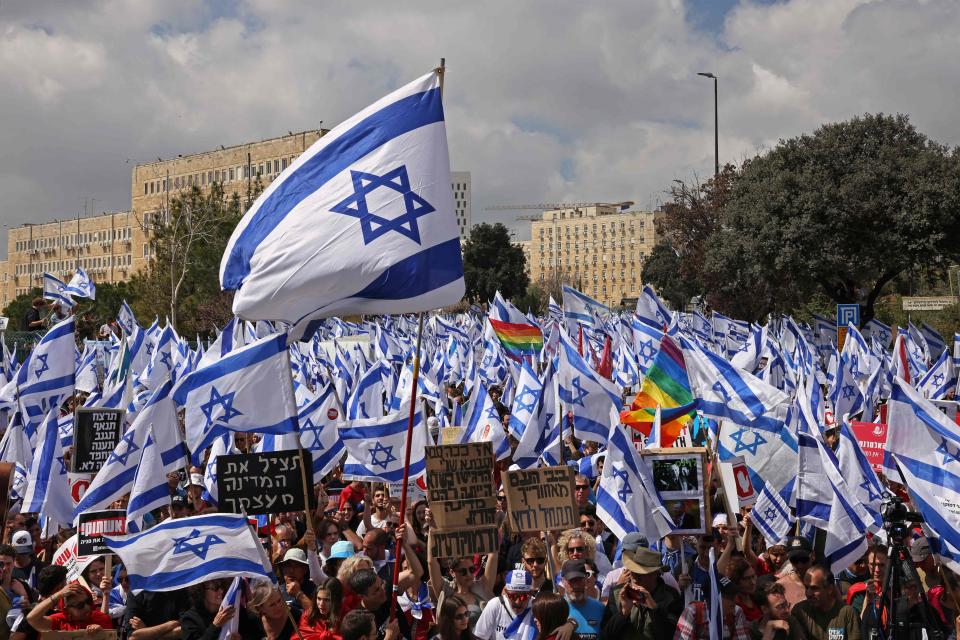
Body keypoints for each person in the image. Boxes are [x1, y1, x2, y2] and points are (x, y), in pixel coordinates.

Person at [602, 546, 683, 639]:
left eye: (641, 573)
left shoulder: (671, 596)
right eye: (632, 571)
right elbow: (606, 635)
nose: (634, 577)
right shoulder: (617, 593)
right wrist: (623, 613)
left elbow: (670, 635)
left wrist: (654, 609)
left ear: (656, 574)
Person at [788, 566, 861, 640]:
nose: (808, 593)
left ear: (829, 589)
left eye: (814, 588)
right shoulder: (801, 611)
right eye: (806, 587)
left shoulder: (848, 613)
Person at [180, 578, 263, 640]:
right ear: (201, 591)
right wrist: (215, 625)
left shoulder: (232, 609)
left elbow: (256, 632)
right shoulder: (189, 619)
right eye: (215, 588)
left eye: (221, 586)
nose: (220, 591)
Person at [674, 575, 751, 640]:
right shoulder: (692, 612)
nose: (734, 601)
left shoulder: (737, 612)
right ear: (713, 599)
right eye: (730, 597)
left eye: (734, 596)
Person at [347, 569, 411, 640]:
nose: (382, 590)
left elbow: (415, 573)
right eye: (376, 590)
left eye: (381, 583)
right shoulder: (360, 621)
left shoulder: (388, 591)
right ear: (361, 596)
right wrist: (389, 637)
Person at [25, 582, 113, 632]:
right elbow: (32, 619)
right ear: (67, 610)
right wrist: (58, 595)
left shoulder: (101, 619)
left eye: (88, 601)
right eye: (80, 605)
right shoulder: (59, 621)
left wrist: (102, 633)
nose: (86, 607)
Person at [560, 559, 604, 639]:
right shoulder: (557, 608)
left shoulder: (600, 608)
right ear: (563, 581)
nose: (576, 585)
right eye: (572, 581)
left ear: (586, 580)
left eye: (579, 580)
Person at [776, 538, 814, 608]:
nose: (799, 565)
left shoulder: (824, 581)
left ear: (813, 556)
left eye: (803, 559)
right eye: (794, 560)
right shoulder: (780, 586)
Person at [725, 557, 762, 623]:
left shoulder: (758, 597)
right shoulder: (733, 606)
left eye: (753, 576)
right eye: (747, 579)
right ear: (735, 581)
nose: (753, 582)